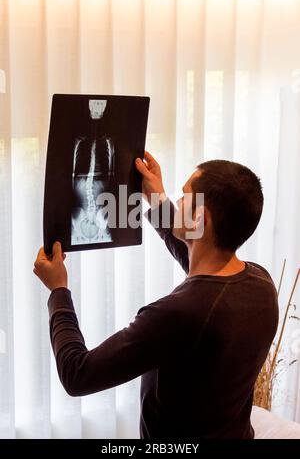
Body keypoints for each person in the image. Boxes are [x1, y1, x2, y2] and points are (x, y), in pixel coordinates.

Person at [33, 151, 278, 439]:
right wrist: (158, 200)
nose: (178, 200)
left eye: (185, 196)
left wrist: (59, 291)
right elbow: (204, 272)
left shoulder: (178, 314)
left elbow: (77, 374)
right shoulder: (261, 284)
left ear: (200, 217)